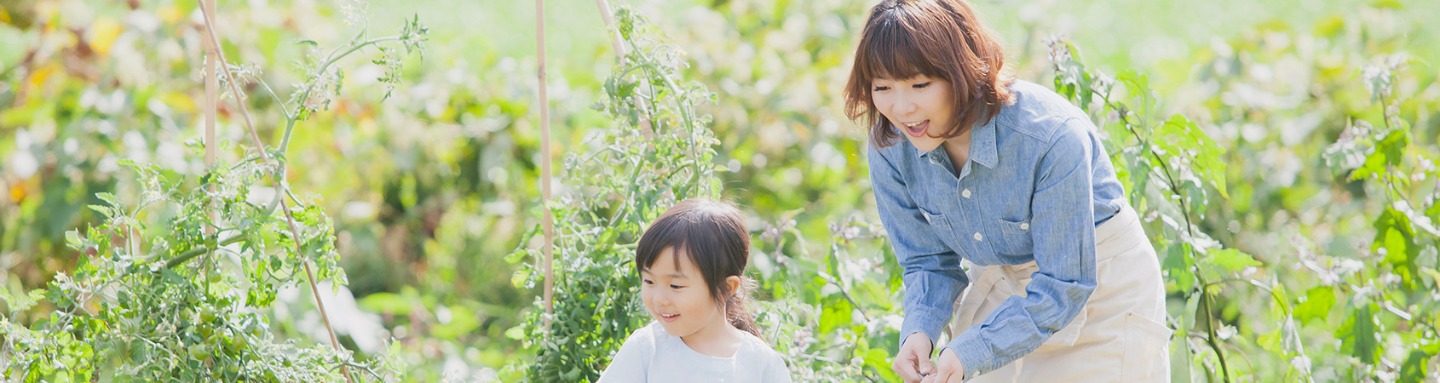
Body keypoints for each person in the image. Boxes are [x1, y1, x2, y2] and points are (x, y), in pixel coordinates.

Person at [841, 0, 1172, 382]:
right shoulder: (892, 141)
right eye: (882, 87)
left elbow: (1065, 285)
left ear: (962, 72)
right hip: (1006, 288)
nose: (901, 108)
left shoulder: (1048, 136)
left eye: (920, 84)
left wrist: (974, 349)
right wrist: (920, 331)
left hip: (1101, 291)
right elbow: (927, 260)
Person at [597, 198, 791, 383]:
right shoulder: (647, 348)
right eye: (649, 281)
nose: (659, 299)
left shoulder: (761, 364)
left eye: (675, 286)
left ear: (726, 288)